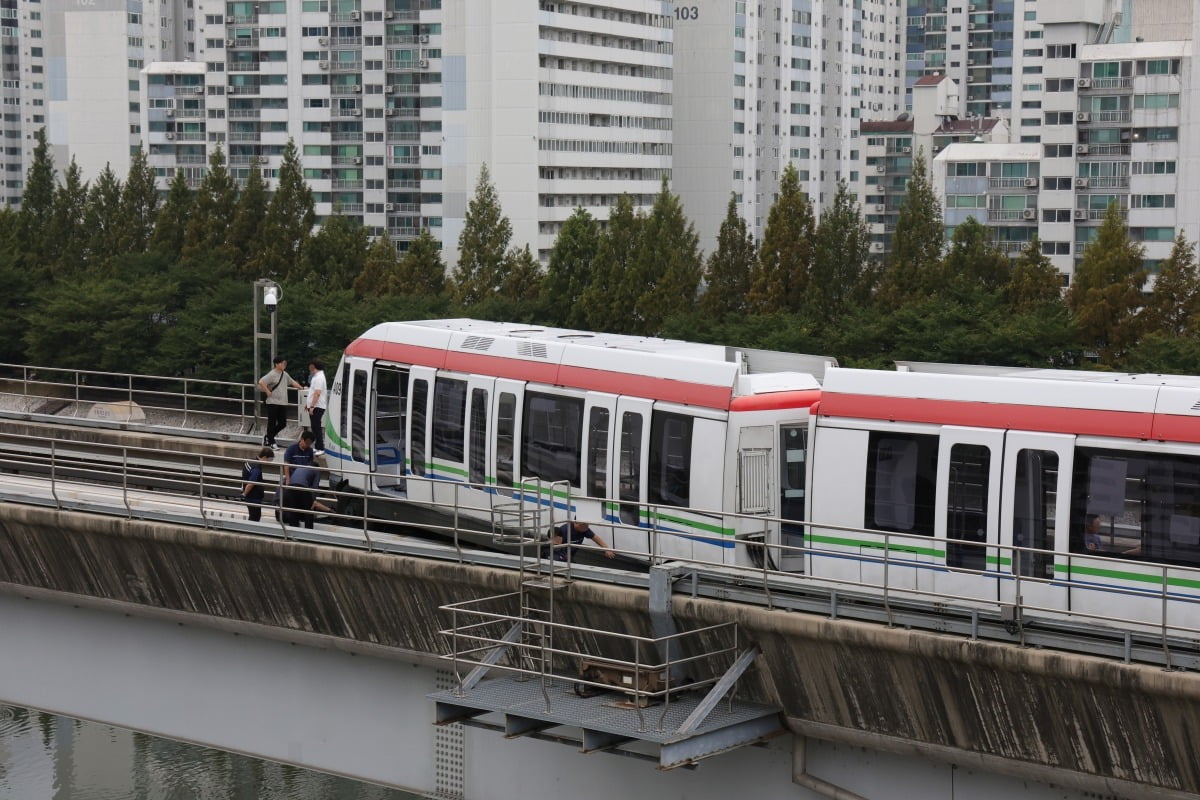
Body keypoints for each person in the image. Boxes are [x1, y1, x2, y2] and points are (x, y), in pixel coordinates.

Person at [257, 356, 302, 450]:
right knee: (272, 423)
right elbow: (261, 382)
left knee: (283, 423)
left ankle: (268, 437)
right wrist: (267, 391)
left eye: (285, 363)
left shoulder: (285, 374)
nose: (284, 365)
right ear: (277, 364)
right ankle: (271, 442)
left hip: (282, 402)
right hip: (272, 402)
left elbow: (292, 382)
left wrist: (302, 388)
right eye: (282, 363)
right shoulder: (272, 374)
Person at [549, 519, 615, 562]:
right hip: (560, 555)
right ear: (576, 524)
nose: (587, 527)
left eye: (587, 525)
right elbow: (556, 544)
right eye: (585, 525)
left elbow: (596, 538)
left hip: (570, 555)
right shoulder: (565, 530)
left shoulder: (584, 530)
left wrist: (606, 549)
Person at [241, 446, 275, 522]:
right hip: (253, 496)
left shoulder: (250, 461)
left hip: (250, 495)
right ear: (264, 457)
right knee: (255, 516)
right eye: (269, 460)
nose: (269, 462)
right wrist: (244, 494)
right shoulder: (256, 468)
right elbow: (251, 483)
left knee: (253, 515)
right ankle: (250, 531)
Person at [305, 358, 328, 455]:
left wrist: (312, 406)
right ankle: (317, 446)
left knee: (316, 427)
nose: (309, 367)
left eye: (311, 365)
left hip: (317, 406)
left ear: (314, 366)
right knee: (314, 427)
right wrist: (308, 404)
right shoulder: (316, 376)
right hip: (315, 405)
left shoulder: (319, 377)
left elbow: (317, 393)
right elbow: (312, 392)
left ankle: (320, 448)